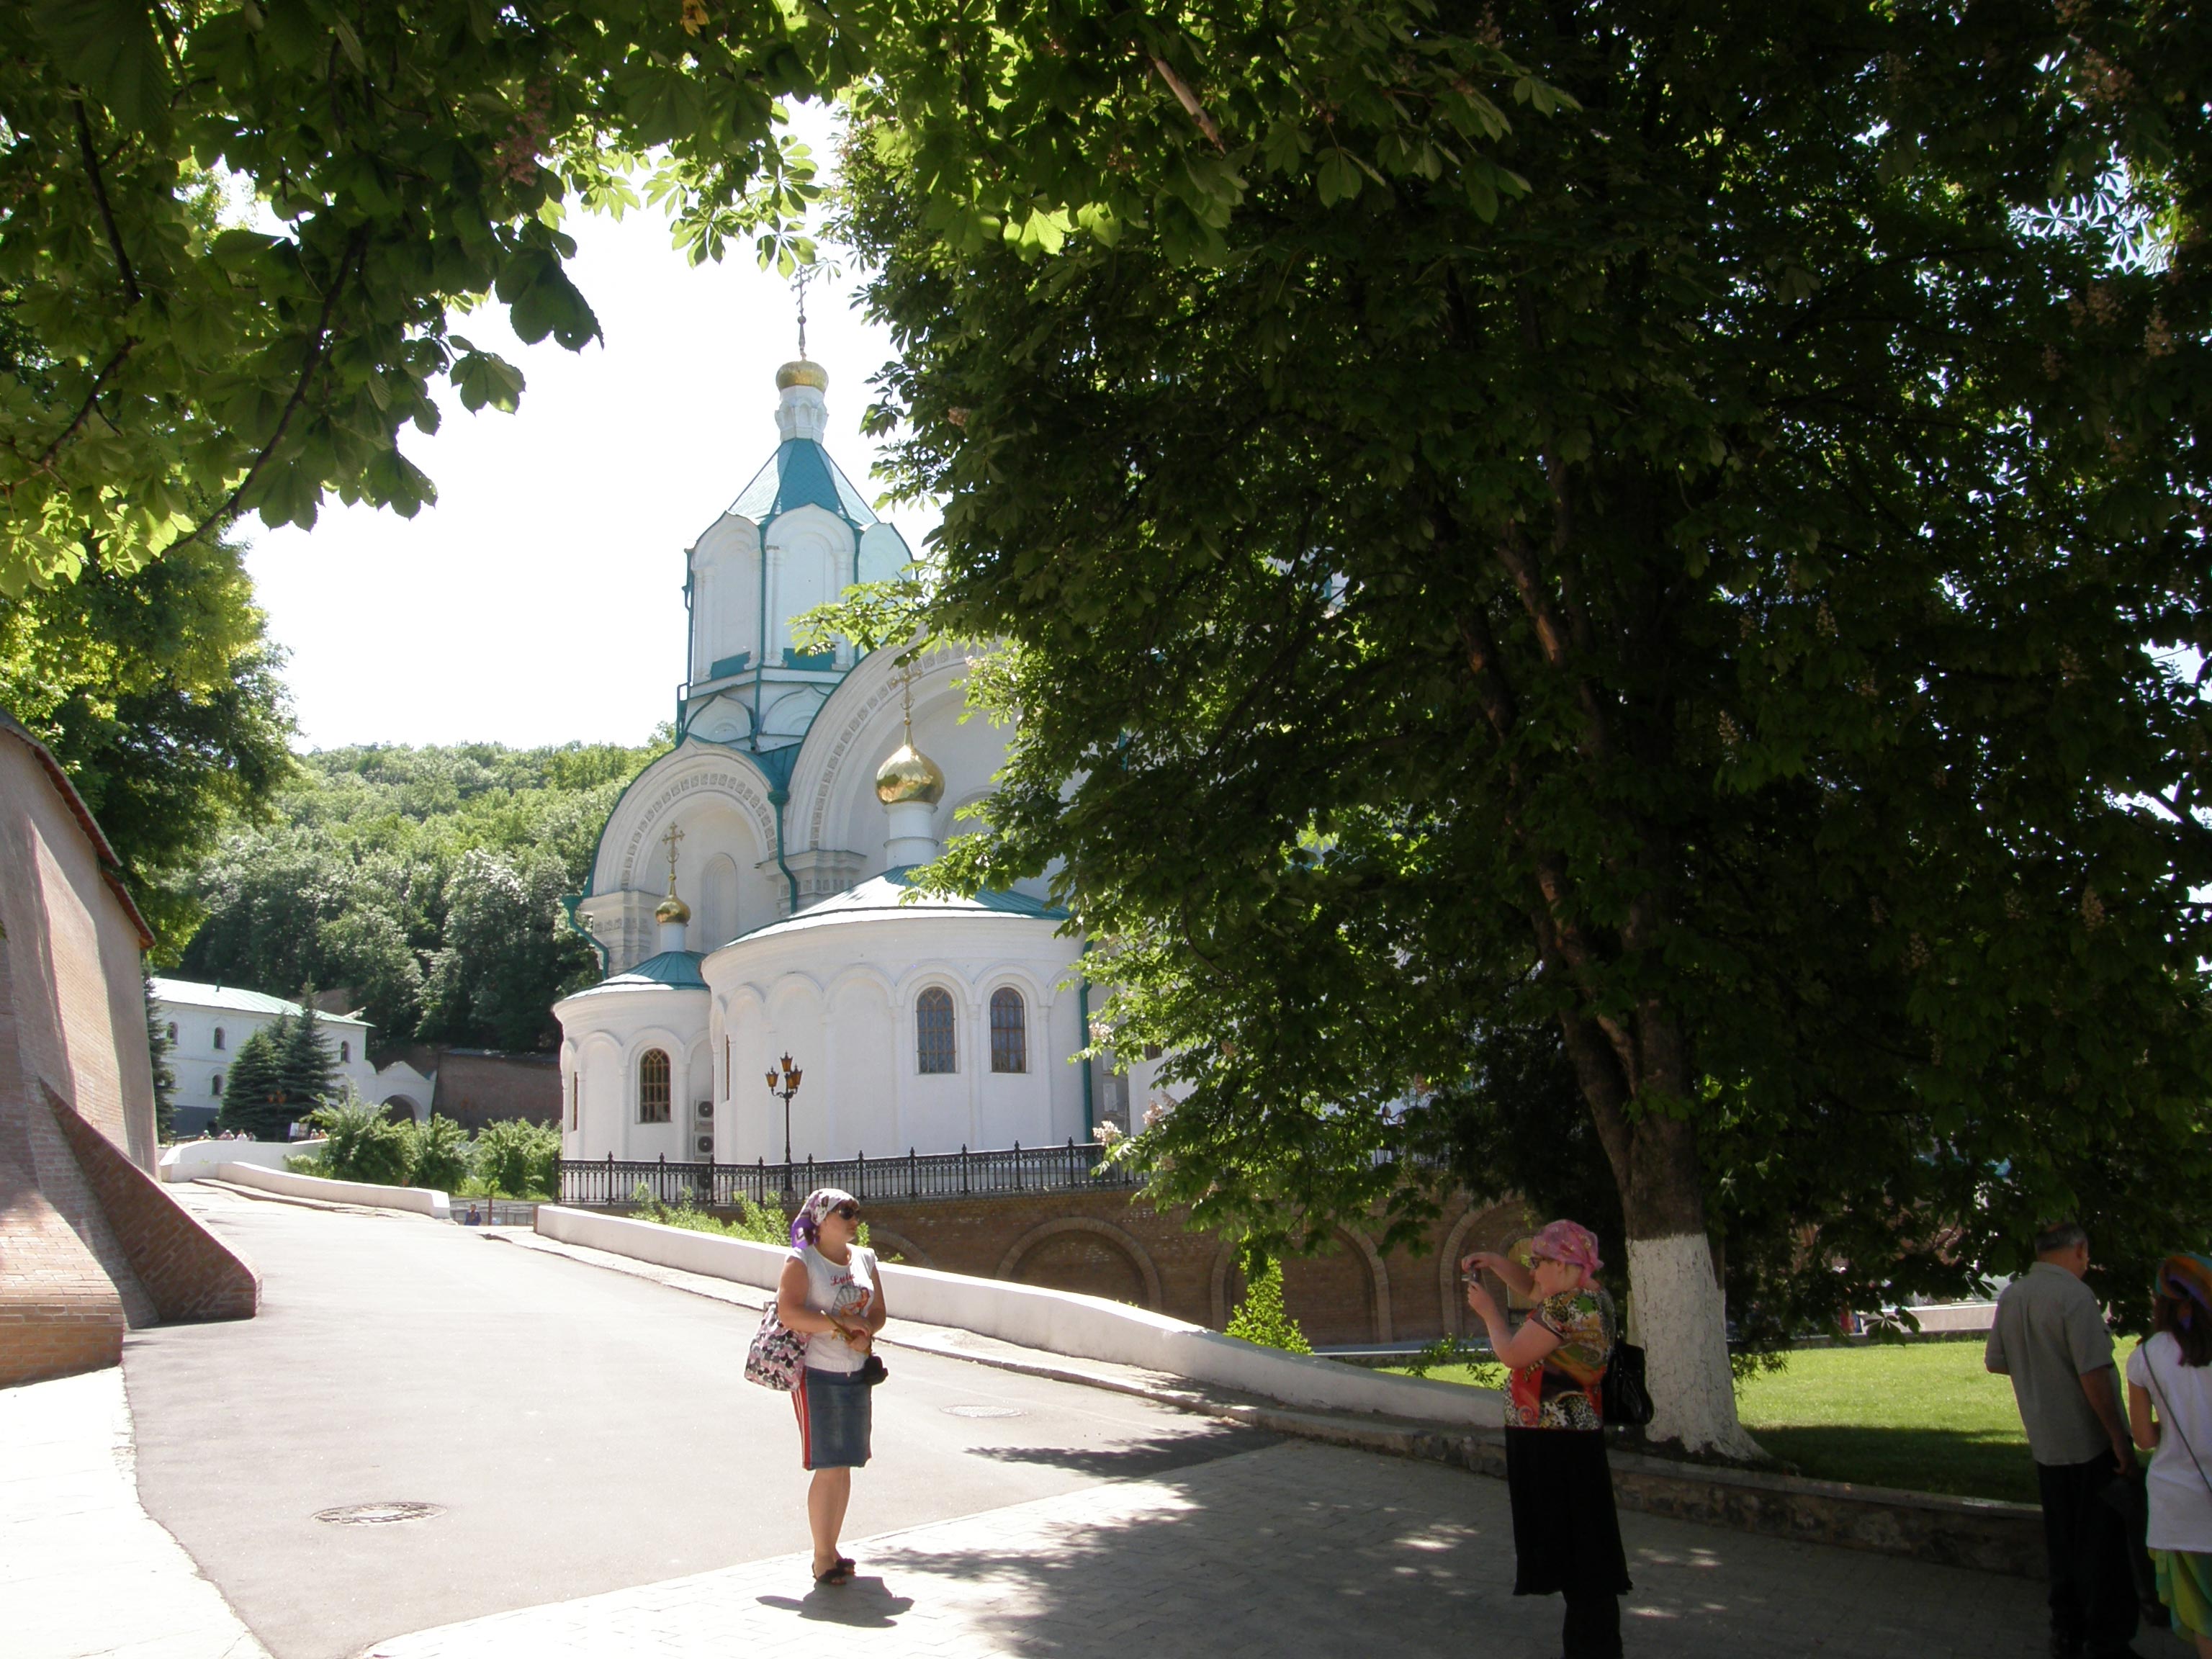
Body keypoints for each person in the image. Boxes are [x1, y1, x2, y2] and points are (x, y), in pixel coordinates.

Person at [1463, 1219, 1632, 1659]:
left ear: (1563, 1263)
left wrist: (1489, 1313)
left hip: (1555, 1445)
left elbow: (1512, 1353)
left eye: (1538, 1261)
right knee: (1585, 1552)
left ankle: (1592, 1650)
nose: (1532, 1270)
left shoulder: (1565, 1309)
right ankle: (1595, 1646)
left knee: (1577, 1557)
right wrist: (1495, 1262)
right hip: (1573, 1439)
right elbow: (1533, 1288)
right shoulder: (1591, 1295)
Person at [1987, 1220, 2142, 1659]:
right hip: (2088, 1443)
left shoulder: (2013, 1295)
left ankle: (2067, 1632)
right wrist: (2119, 1438)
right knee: (2102, 1547)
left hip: (2046, 1443)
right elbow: (2094, 1373)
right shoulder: (2075, 1296)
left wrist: (2038, 1364)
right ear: (2079, 1250)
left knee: (2063, 1544)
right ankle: (2107, 1643)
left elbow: (1996, 1361)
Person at [776, 1187, 886, 1586]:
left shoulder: (865, 1259)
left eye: (856, 1213)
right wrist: (839, 1324)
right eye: (846, 1213)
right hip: (817, 1373)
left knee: (845, 1463)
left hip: (855, 1373)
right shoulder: (802, 1260)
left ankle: (832, 1547)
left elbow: (878, 1312)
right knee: (827, 1464)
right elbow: (789, 1313)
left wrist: (865, 1331)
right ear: (822, 1220)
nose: (855, 1220)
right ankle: (822, 1557)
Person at [2128, 1254, 2212, 1657]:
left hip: (2179, 1504)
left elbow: (2143, 1438)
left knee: (2204, 1616)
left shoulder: (2145, 1356)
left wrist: (2173, 1426)